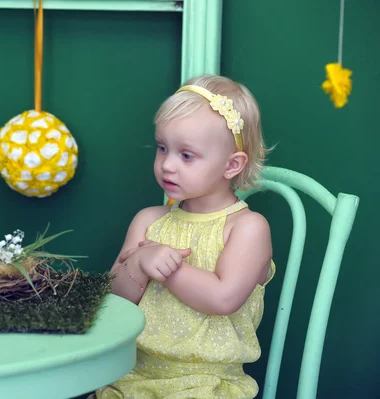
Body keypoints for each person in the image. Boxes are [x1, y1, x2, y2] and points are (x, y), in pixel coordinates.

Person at [91, 74, 275, 399]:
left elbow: (223, 299)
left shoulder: (247, 228)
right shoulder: (149, 221)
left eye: (186, 155)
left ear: (231, 165)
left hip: (207, 384)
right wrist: (139, 263)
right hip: (132, 374)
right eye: (163, 148)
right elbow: (116, 301)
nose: (167, 166)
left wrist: (169, 267)